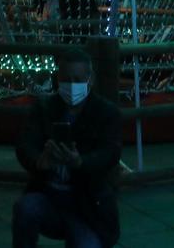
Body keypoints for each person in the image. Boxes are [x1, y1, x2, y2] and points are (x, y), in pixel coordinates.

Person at [13, 48, 121, 248]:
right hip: (48, 195)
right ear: (58, 79)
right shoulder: (44, 108)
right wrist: (39, 161)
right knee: (25, 208)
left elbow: (110, 152)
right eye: (66, 79)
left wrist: (81, 162)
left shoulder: (106, 113)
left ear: (90, 79)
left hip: (88, 204)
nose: (72, 85)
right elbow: (25, 144)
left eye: (78, 79)